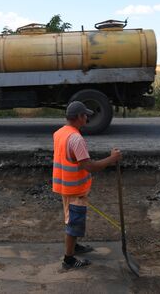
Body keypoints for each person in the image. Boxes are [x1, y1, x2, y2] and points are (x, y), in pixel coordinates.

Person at [53, 101, 121, 270]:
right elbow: (89, 166)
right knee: (74, 225)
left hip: (65, 186)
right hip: (75, 189)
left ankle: (74, 247)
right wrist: (112, 159)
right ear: (78, 117)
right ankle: (68, 260)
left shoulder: (60, 132)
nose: (87, 117)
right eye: (85, 115)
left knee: (71, 220)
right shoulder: (76, 139)